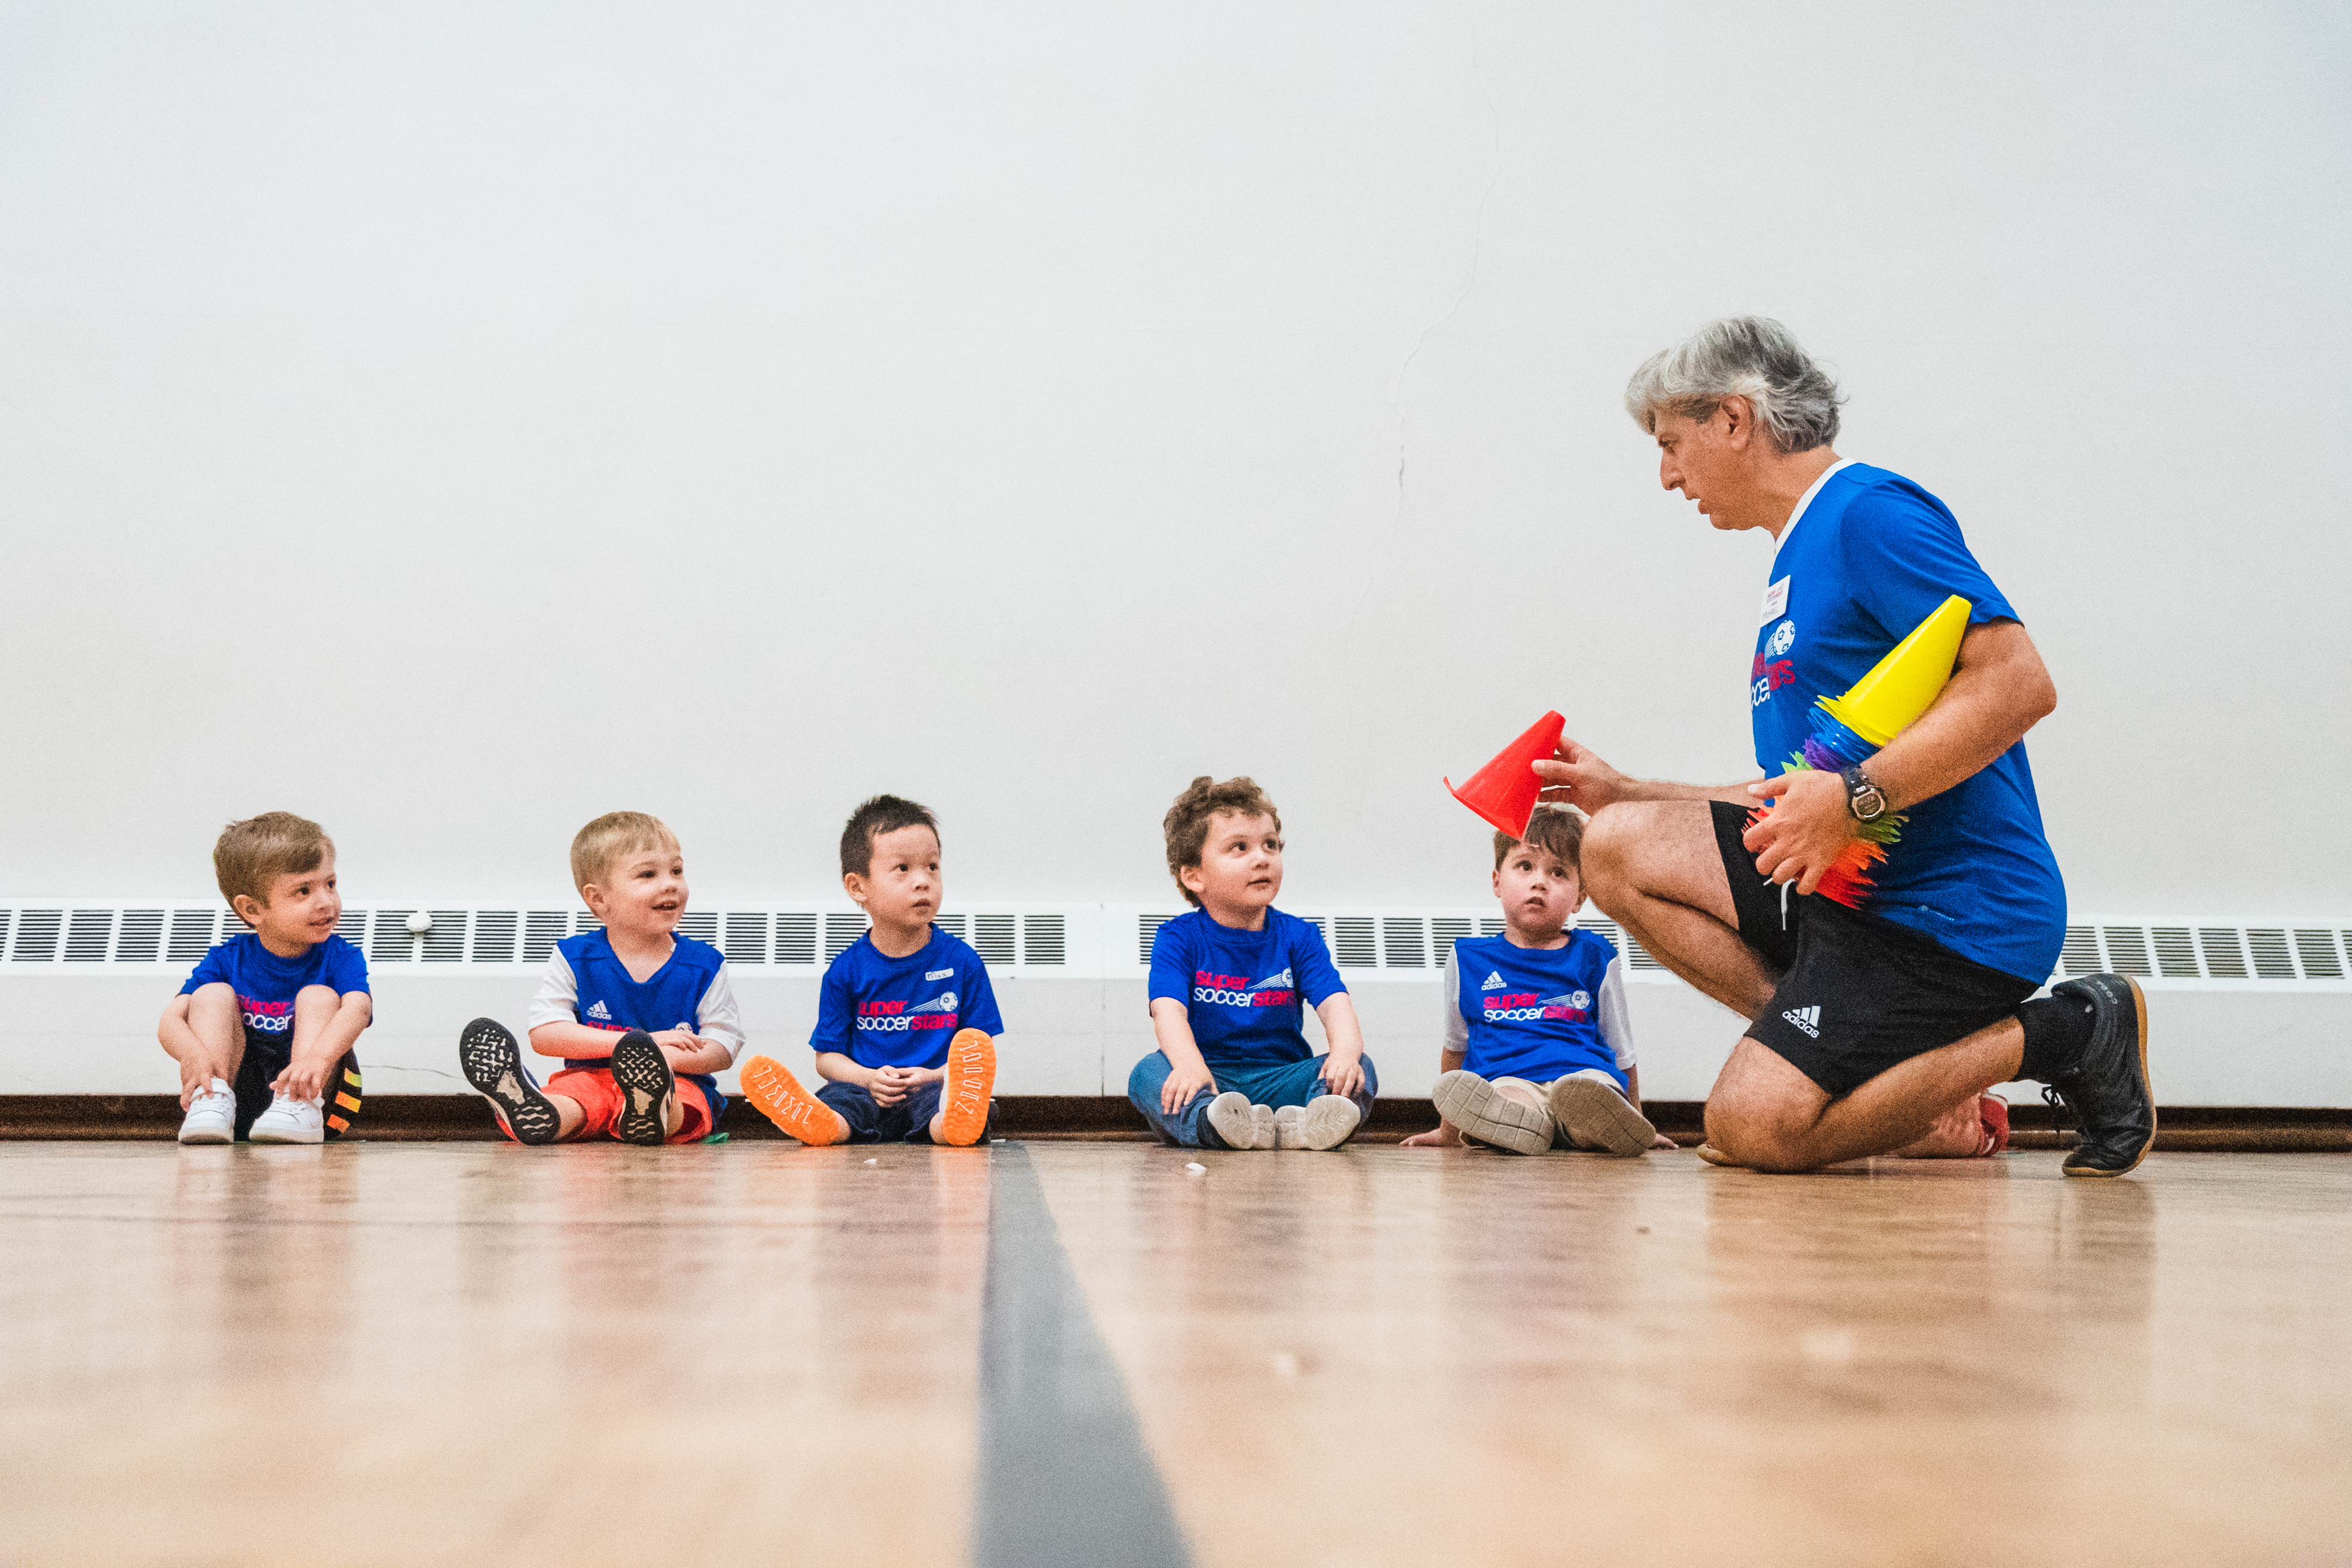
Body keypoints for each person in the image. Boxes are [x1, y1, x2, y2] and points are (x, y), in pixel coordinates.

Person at [1538, 317, 2152, 1176]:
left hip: (1952, 915)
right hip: (1850, 893)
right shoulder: (1798, 556)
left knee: (1752, 1131)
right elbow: (1805, 791)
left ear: (1735, 419)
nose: (1670, 476)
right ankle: (1874, 1075)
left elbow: (2019, 683)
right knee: (1614, 844)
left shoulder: (1867, 514)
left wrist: (1859, 799)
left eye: (1673, 443)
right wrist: (1634, 790)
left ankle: (2070, 1031)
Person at [1401, 807, 1676, 1156]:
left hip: (1583, 1076)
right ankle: (1523, 1126)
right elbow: (1456, 1045)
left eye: (1558, 872)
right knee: (1506, 1099)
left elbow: (1622, 1048)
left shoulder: (1595, 955)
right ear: (1497, 881)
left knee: (1592, 1094)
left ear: (1580, 897)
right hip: (1509, 1078)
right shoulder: (1468, 958)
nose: (1539, 881)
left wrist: (1640, 1123)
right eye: (1525, 866)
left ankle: (1592, 1130)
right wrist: (1447, 1131)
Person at [457, 811, 743, 1146]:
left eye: (677, 871)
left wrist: (660, 1059)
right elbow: (546, 1034)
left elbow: (723, 1046)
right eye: (648, 874)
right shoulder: (575, 957)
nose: (670, 884)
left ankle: (654, 1111)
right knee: (572, 1099)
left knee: (687, 1103)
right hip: (588, 1075)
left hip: (674, 1076)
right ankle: (532, 1110)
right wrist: (633, 1045)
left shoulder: (703, 964)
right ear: (598, 898)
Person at [1128, 776, 1374, 1151]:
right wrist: (1191, 1067)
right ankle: (1211, 1124)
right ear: (1194, 876)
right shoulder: (1178, 938)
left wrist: (1344, 1054)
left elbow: (1335, 1003)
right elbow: (1168, 1013)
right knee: (1147, 1074)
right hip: (1212, 1079)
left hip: (1281, 1078)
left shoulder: (1299, 936)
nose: (1262, 858)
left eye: (1270, 845)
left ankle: (1311, 1122)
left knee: (1362, 1068)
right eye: (1239, 848)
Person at [738, 795, 999, 1147]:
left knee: (963, 1107)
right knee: (839, 1101)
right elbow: (827, 1058)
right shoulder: (846, 971)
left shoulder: (963, 961)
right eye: (903, 869)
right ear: (858, 887)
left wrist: (934, 1075)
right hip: (865, 1090)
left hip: (933, 1089)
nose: (923, 881)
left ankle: (951, 1126)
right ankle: (825, 1125)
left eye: (932, 867)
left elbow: (977, 1051)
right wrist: (868, 1078)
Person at [160, 811, 370, 1144]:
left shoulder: (340, 956)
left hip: (318, 1101)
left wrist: (319, 1059)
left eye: (330, 884)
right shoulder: (227, 958)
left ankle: (299, 1106)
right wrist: (193, 1055)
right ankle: (212, 1100)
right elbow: (171, 1020)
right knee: (211, 994)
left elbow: (358, 1010)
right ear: (253, 910)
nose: (326, 902)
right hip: (239, 1098)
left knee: (319, 996)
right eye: (303, 891)